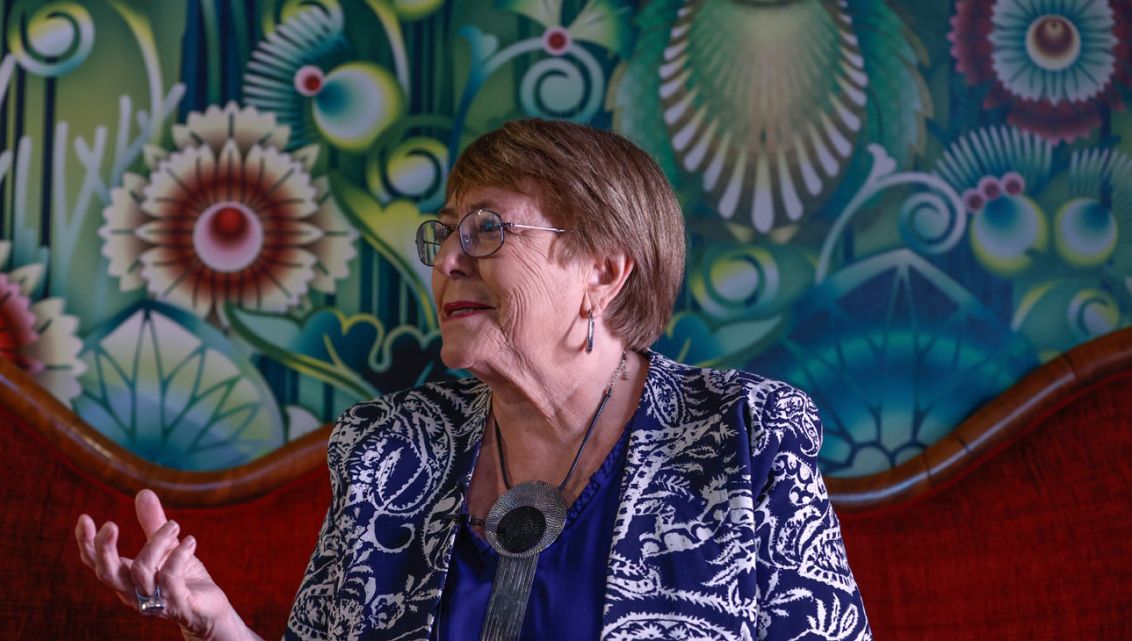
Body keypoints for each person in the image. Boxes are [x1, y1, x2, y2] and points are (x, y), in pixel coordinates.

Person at [75, 118, 871, 641]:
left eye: (488, 227)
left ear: (603, 269)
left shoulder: (743, 438)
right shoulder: (389, 452)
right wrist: (218, 625)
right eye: (446, 231)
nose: (448, 259)